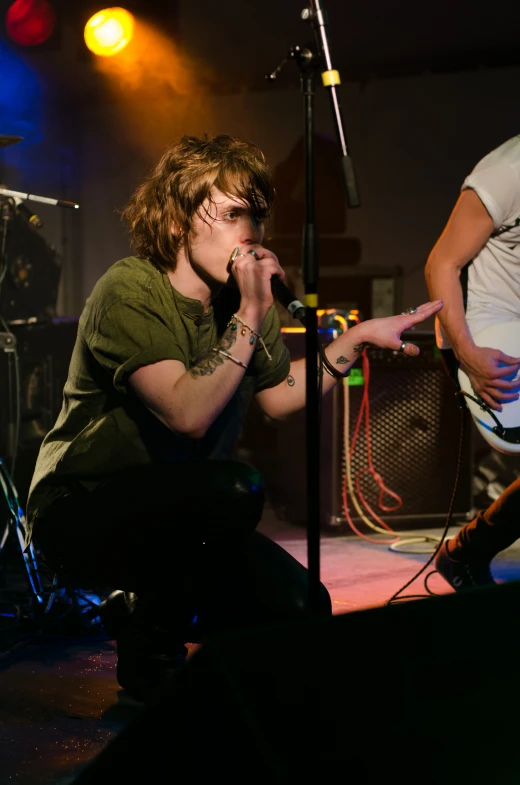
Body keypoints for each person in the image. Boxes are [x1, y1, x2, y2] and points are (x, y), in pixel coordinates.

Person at [27, 134, 442, 702]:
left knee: (301, 608)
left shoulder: (240, 300)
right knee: (235, 488)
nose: (251, 232)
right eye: (231, 214)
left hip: (180, 515)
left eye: (257, 215)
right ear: (178, 221)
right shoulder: (128, 289)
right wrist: (251, 310)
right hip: (82, 510)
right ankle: (152, 655)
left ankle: (142, 607)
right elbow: (188, 415)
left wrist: (358, 341)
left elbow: (278, 396)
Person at [425, 134, 520, 592]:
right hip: (487, 334)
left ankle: (466, 551)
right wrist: (466, 352)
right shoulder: (507, 171)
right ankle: (466, 550)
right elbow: (441, 264)